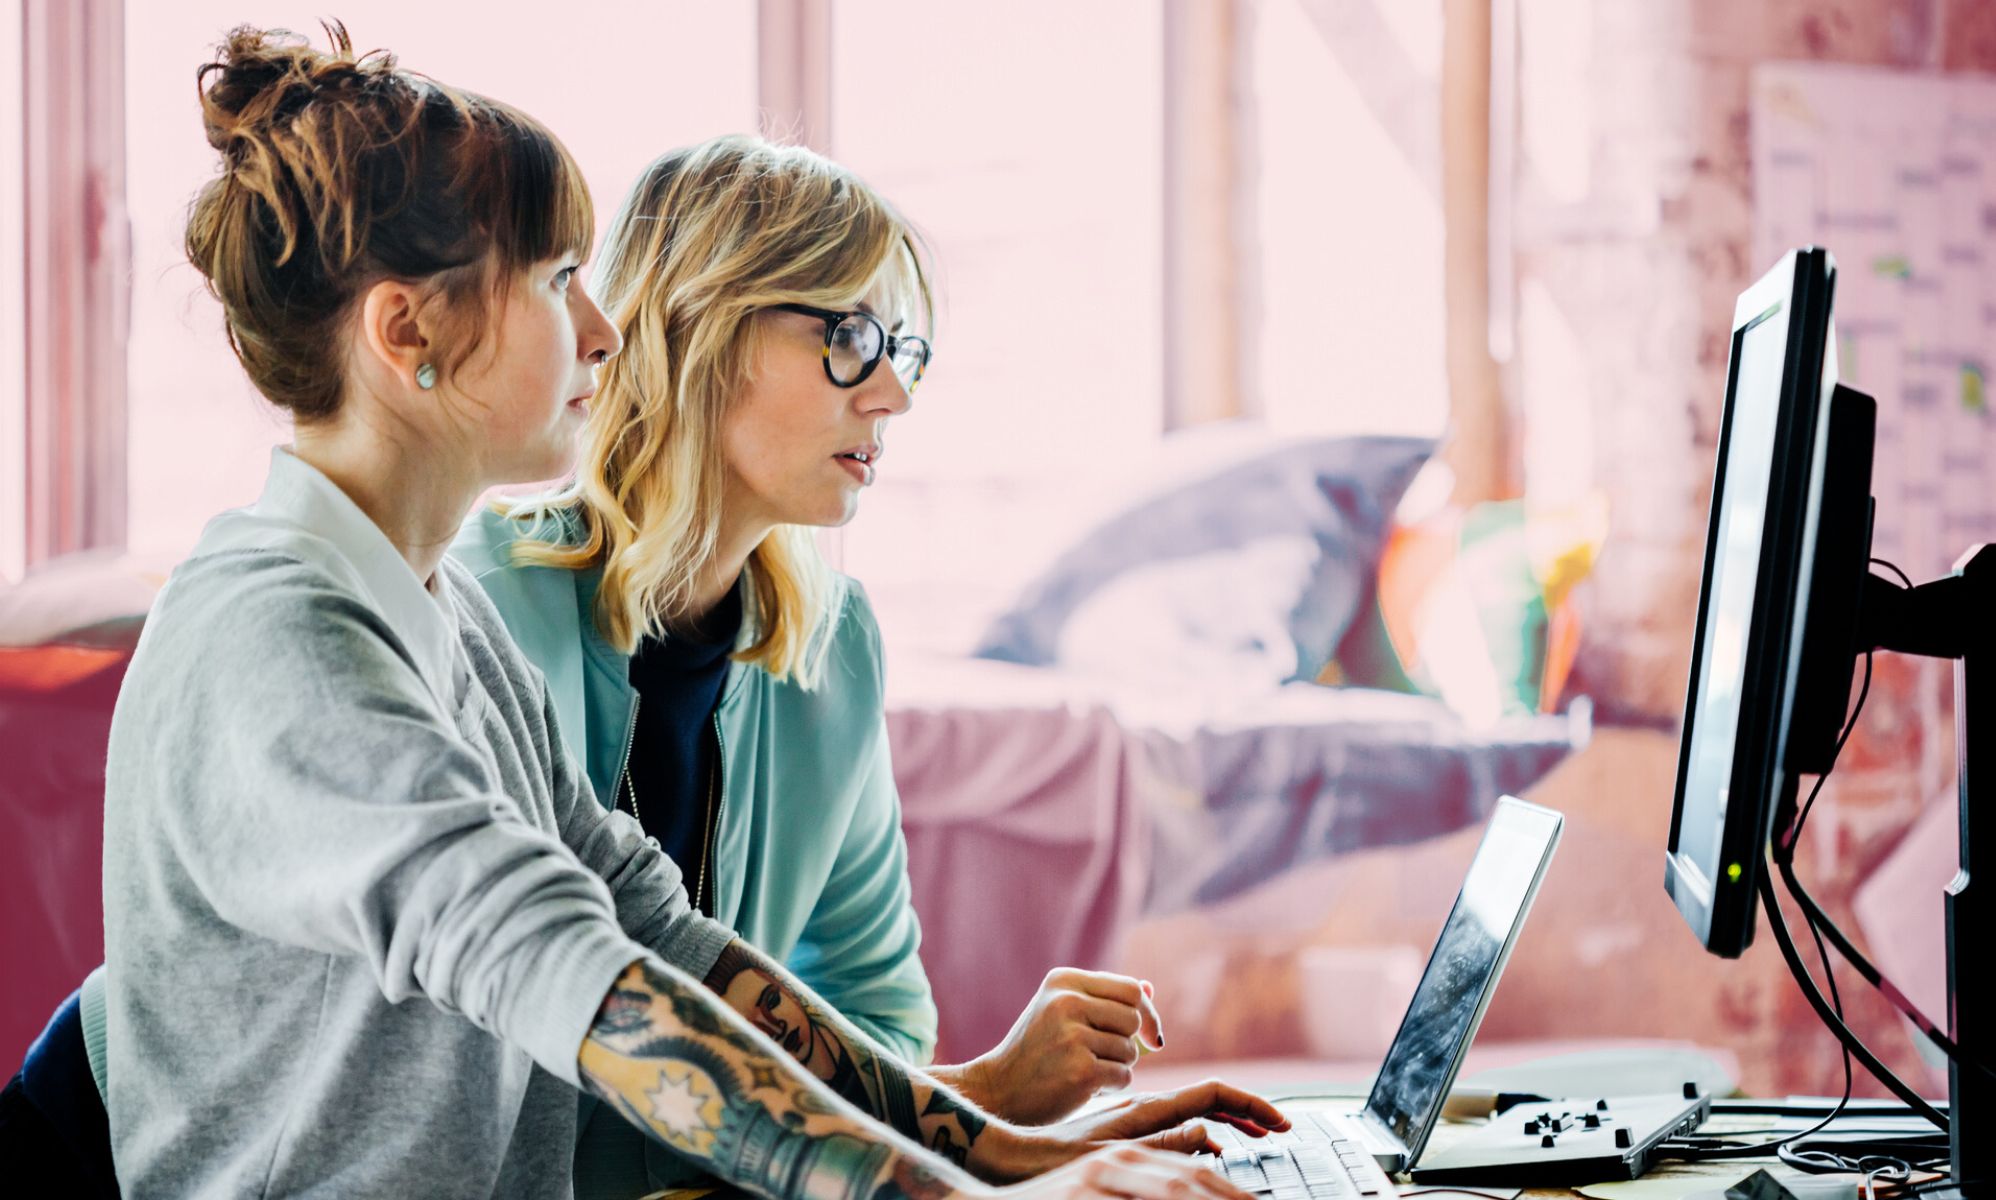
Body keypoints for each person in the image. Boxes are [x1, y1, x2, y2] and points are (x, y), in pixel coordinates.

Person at [77, 24, 1283, 1198]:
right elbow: (559, 963)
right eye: (559, 283)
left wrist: (1006, 1149)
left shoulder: (439, 617)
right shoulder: (283, 636)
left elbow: (654, 928)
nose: (606, 330)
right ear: (409, 334)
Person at [448, 135, 1195, 1195]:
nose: (892, 391)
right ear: (700, 327)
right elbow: (521, 1066)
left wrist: (987, 1119)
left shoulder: (832, 645)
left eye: (901, 347)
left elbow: (872, 1012)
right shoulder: (479, 608)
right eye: (848, 336)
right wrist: (980, 1114)